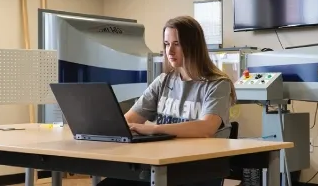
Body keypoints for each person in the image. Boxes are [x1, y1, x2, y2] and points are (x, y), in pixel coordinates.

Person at [97, 15, 237, 186]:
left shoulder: (218, 84)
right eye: (166, 44)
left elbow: (206, 128)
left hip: (196, 172)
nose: (169, 51)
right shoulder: (164, 81)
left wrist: (154, 129)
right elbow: (129, 120)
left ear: (193, 45)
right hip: (160, 167)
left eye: (177, 44)